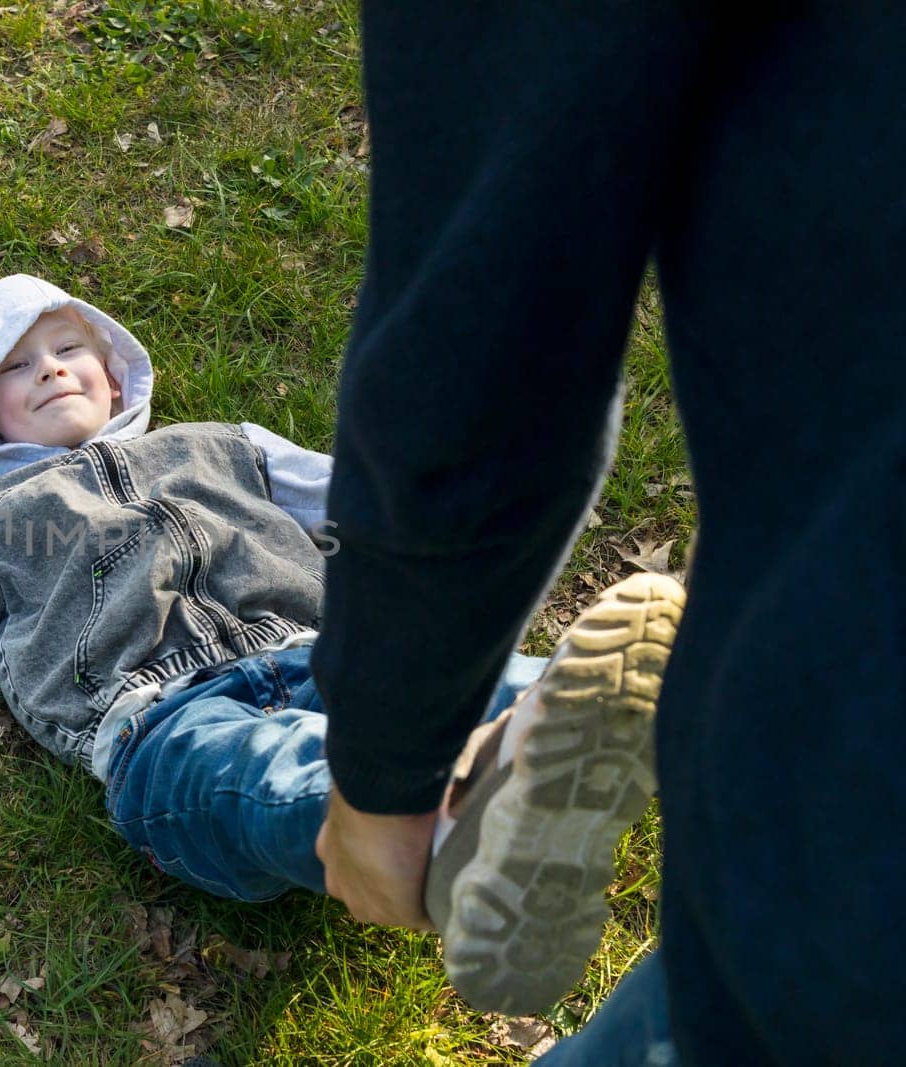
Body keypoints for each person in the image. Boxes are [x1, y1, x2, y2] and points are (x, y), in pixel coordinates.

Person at [312, 4, 905, 1063]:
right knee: (196, 753)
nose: (49, 377)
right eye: (17, 380)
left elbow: (483, 331)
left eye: (64, 348)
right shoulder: (11, 513)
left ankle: (466, 804)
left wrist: (381, 762)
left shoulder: (209, 449)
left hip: (851, 830)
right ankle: (505, 762)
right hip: (157, 683)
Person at [0, 272, 574, 905]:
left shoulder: (223, 444)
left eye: (64, 348)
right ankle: (414, 828)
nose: (47, 368)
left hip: (320, 649)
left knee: (430, 683)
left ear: (112, 367)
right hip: (157, 723)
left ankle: (562, 711)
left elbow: (362, 501)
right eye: (14, 367)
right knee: (256, 778)